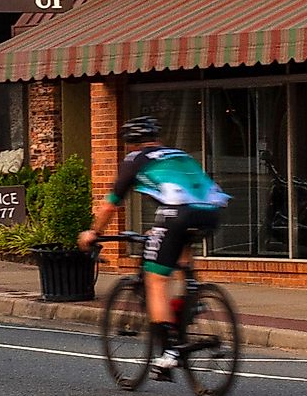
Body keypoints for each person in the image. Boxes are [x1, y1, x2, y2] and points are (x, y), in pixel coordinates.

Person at [80, 117, 229, 379]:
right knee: (181, 255)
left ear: (129, 144)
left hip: (177, 213)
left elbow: (110, 205)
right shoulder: (178, 154)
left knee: (155, 280)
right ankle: (191, 300)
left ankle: (169, 352)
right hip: (212, 210)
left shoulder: (135, 159)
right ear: (156, 138)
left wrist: (94, 233)